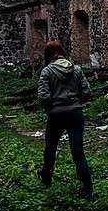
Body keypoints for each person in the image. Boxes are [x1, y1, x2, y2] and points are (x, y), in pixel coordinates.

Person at [36, 40, 94, 200]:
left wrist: (51, 107)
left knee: (50, 149)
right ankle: (87, 189)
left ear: (48, 55)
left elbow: (43, 96)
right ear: (62, 52)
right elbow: (87, 92)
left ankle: (46, 179)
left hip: (56, 115)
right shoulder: (76, 69)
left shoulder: (47, 72)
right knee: (78, 152)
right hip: (75, 114)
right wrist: (75, 102)